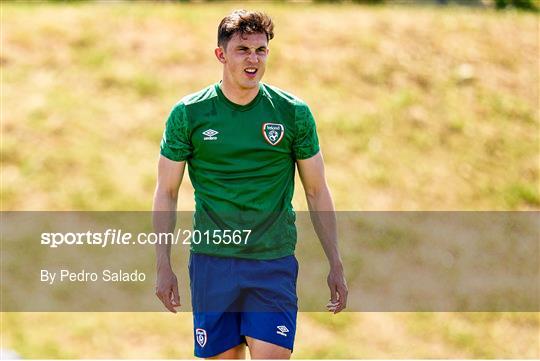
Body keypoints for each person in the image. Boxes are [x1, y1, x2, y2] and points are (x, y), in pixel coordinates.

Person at [153, 9, 347, 359]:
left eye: (261, 50)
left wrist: (335, 261)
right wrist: (162, 264)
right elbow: (166, 192)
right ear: (221, 54)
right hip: (213, 261)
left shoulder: (292, 113)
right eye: (243, 49)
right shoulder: (188, 114)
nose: (253, 59)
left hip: (271, 262)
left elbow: (316, 190)